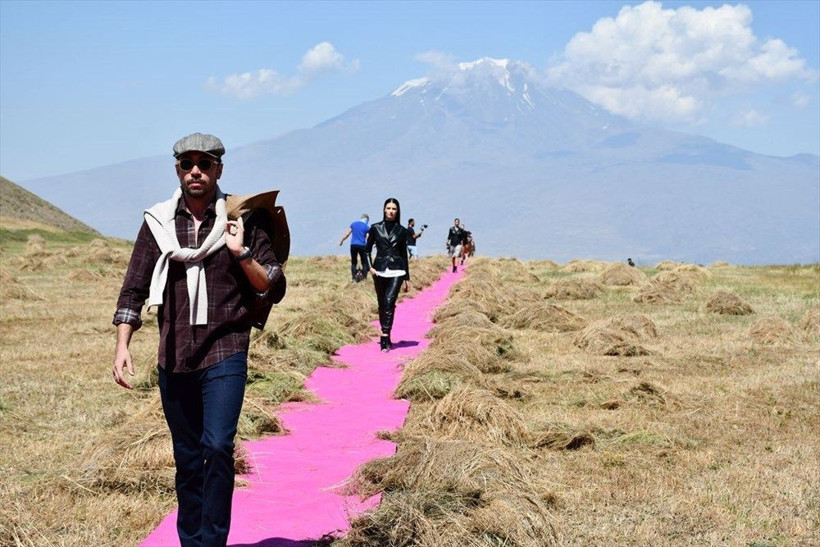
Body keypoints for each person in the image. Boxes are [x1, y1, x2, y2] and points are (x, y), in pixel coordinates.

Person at [112, 133, 284, 547]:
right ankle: (192, 540)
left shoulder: (243, 219)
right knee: (188, 460)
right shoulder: (158, 225)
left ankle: (212, 541)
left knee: (218, 446)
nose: (196, 171)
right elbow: (134, 289)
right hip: (174, 356)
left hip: (225, 350)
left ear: (218, 170)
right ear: (177, 170)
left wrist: (241, 253)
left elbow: (273, 285)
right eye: (187, 164)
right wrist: (122, 345)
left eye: (204, 164)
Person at [367, 198, 410, 352]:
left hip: (397, 270)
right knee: (382, 304)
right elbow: (367, 250)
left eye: (394, 208)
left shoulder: (402, 231)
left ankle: (385, 335)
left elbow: (404, 254)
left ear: (397, 211)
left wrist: (407, 278)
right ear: (384, 210)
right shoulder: (375, 228)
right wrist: (369, 267)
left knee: (389, 301)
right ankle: (385, 333)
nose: (391, 211)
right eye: (388, 208)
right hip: (379, 270)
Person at [339, 214, 370, 282]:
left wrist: (342, 240)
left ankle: (353, 278)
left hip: (353, 245)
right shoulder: (367, 227)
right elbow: (368, 238)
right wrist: (369, 246)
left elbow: (347, 233)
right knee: (364, 262)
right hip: (362, 245)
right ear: (367, 220)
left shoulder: (353, 224)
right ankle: (364, 278)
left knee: (354, 262)